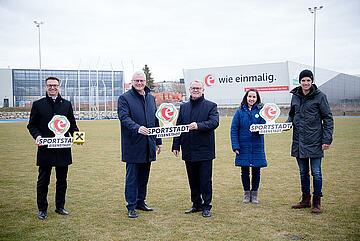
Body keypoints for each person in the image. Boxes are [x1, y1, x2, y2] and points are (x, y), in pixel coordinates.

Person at [27, 76, 79, 220]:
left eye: (55, 85)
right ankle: (42, 209)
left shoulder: (67, 104)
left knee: (62, 180)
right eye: (49, 85)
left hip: (63, 149)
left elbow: (72, 125)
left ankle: (60, 207)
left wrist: (77, 136)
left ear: (59, 87)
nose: (52, 88)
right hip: (45, 149)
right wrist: (37, 136)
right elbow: (31, 125)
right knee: (43, 180)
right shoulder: (38, 104)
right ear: (46, 87)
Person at [288, 69, 334, 214]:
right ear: (300, 82)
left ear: (312, 81)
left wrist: (327, 139)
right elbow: (292, 115)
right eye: (303, 80)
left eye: (308, 80)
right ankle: (305, 200)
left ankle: (317, 202)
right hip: (299, 141)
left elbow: (328, 119)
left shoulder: (320, 96)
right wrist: (286, 123)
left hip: (315, 141)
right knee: (303, 172)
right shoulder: (295, 96)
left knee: (316, 172)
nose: (306, 83)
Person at [118, 71, 162, 218]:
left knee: (144, 176)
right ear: (132, 81)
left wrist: (158, 141)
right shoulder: (124, 98)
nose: (139, 83)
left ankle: (140, 201)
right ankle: (131, 205)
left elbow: (155, 121)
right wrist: (137, 128)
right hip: (132, 144)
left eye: (141, 80)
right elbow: (124, 117)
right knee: (132, 177)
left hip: (148, 144)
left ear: (145, 82)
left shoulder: (150, 98)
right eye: (136, 80)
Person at [172, 80, 219, 218]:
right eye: (193, 88)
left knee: (205, 180)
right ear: (189, 90)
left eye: (198, 88)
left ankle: (206, 206)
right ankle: (196, 204)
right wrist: (176, 145)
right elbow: (178, 127)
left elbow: (214, 122)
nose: (196, 90)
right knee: (192, 179)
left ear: (203, 90)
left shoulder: (211, 106)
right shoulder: (184, 107)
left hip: (205, 150)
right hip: (188, 149)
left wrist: (198, 125)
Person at [230, 89, 267, 204]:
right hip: (243, 146)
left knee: (257, 170)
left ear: (257, 98)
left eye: (254, 97)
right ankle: (246, 194)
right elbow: (234, 129)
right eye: (249, 96)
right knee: (244, 170)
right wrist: (236, 146)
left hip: (257, 145)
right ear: (246, 97)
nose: (251, 99)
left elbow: (264, 126)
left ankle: (254, 194)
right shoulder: (239, 112)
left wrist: (264, 120)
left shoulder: (261, 111)